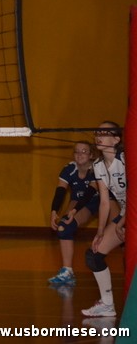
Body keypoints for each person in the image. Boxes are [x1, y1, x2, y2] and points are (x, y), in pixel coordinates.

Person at [80, 122, 126, 318]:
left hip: (131, 214)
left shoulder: (126, 158)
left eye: (104, 132)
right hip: (127, 213)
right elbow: (105, 202)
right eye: (97, 132)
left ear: (116, 139)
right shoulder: (98, 165)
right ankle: (107, 305)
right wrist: (99, 232)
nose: (99, 135)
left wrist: (122, 222)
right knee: (94, 254)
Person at [46, 141, 98, 286]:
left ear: (91, 155)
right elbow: (60, 192)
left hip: (101, 201)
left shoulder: (97, 168)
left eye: (84, 151)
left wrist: (75, 210)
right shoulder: (69, 169)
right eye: (77, 151)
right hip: (79, 201)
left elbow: (90, 193)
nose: (80, 154)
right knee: (64, 227)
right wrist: (54, 211)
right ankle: (67, 271)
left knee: (121, 233)